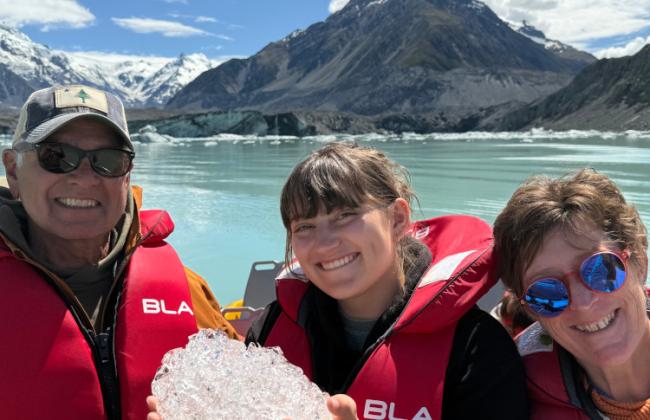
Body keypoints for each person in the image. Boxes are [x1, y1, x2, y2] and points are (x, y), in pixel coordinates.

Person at [0, 84, 237, 420]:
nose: (84, 178)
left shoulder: (186, 290)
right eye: (56, 156)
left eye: (108, 160)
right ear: (13, 170)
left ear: (127, 175)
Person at [245, 142, 528, 419]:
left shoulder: (476, 350)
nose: (324, 244)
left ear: (397, 218)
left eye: (345, 216)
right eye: (305, 227)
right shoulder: (270, 331)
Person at [493, 169, 650, 419]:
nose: (583, 303)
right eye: (546, 292)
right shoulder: (511, 394)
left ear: (640, 263)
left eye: (600, 269)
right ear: (530, 309)